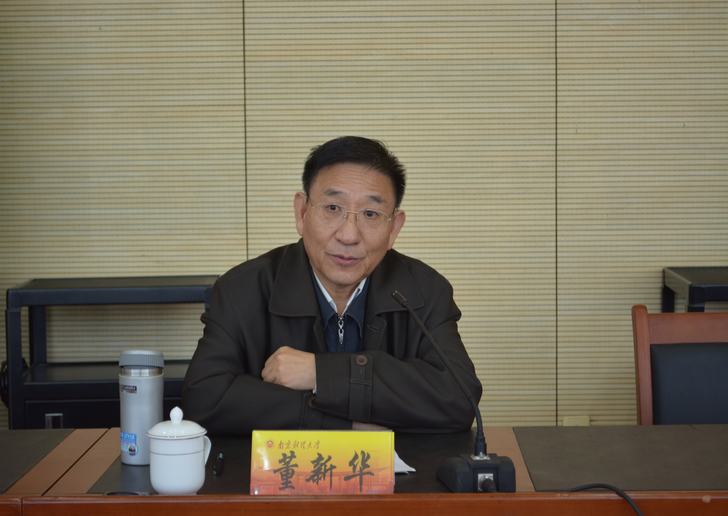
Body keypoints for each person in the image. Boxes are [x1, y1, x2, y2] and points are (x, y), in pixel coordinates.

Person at [182, 136, 482, 435]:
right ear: (302, 213)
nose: (349, 235)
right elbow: (204, 400)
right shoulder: (242, 289)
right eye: (333, 208)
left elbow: (459, 398)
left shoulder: (424, 290)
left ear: (393, 228)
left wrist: (321, 374)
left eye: (370, 214)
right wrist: (344, 426)